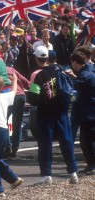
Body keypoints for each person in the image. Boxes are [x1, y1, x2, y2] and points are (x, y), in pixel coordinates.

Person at [28, 46, 78, 185]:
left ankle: (46, 175)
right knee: (66, 141)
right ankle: (73, 172)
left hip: (45, 113)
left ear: (37, 58)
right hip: (61, 112)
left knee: (45, 144)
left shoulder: (38, 75)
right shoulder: (61, 70)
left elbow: (33, 99)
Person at [69, 52, 95, 175]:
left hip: (88, 112)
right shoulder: (89, 71)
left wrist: (70, 77)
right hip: (88, 111)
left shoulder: (85, 75)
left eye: (72, 62)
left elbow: (75, 84)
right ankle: (91, 164)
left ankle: (92, 164)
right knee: (87, 139)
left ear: (75, 62)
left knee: (86, 140)